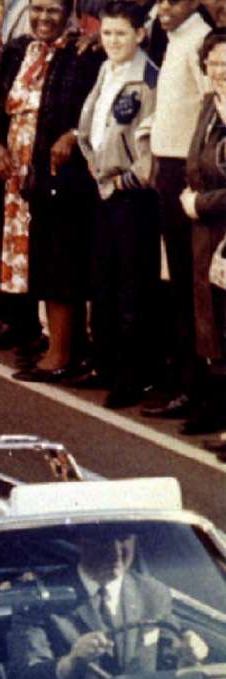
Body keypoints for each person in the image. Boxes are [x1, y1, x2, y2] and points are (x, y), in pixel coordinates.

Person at [0, 0, 105, 382]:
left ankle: (62, 354)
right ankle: (42, 342)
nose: (44, 19)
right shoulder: (16, 50)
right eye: (37, 9)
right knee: (27, 259)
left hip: (59, 174)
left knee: (59, 261)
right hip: (15, 172)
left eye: (53, 12)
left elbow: (99, 107)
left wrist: (74, 136)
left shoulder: (84, 54)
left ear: (69, 13)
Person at [76, 1, 162, 409]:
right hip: (102, 187)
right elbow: (92, 124)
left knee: (132, 287)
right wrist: (96, 170)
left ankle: (132, 377)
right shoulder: (106, 68)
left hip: (129, 196)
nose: (112, 41)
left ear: (140, 35)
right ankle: (104, 364)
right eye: (107, 33)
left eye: (121, 34)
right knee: (103, 281)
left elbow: (148, 155)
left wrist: (119, 182)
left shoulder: (146, 80)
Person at [6, 531, 209, 679]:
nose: (116, 551)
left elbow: (168, 663)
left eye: (123, 538)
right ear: (80, 541)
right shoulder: (39, 597)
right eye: (103, 540)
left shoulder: (153, 593)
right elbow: (24, 678)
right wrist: (71, 663)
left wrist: (187, 658)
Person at [141, 0, 212, 422]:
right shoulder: (174, 37)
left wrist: (189, 172)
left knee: (190, 284)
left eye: (173, 0)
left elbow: (210, 110)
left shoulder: (200, 41)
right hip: (168, 165)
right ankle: (185, 379)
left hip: (188, 172)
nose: (163, 7)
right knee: (176, 281)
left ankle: (197, 389)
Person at [176, 28, 226, 434]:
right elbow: (196, 159)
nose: (221, 72)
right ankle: (215, 410)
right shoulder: (211, 104)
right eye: (214, 65)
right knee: (209, 320)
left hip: (217, 222)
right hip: (206, 231)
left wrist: (199, 203)